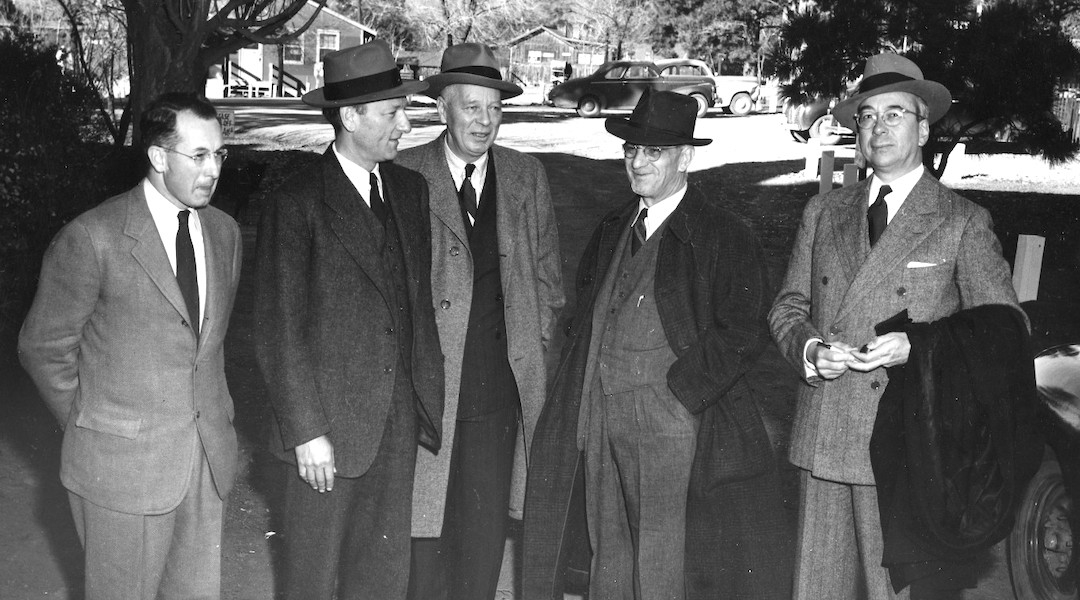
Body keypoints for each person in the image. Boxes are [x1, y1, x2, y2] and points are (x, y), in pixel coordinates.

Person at [768, 53, 1022, 600]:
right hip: (824, 436)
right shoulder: (823, 212)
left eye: (894, 114)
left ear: (924, 127)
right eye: (866, 116)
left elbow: (1005, 330)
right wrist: (811, 350)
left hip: (909, 447)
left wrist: (921, 345)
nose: (877, 128)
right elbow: (787, 307)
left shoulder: (961, 222)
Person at [523, 89, 791, 600]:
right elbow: (585, 314)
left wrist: (681, 395)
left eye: (654, 152)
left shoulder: (721, 234)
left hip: (670, 422)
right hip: (600, 414)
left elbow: (744, 328)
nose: (637, 162)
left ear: (685, 158)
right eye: (631, 151)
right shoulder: (614, 225)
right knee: (609, 551)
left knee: (661, 558)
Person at [18, 92, 242, 600]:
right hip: (119, 471)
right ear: (159, 158)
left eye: (219, 155)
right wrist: (95, 422)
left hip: (205, 463)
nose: (213, 170)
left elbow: (206, 344)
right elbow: (44, 346)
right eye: (199, 156)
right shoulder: (93, 237)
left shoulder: (225, 234)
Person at [253, 39, 444, 600]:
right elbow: (278, 328)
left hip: (396, 425)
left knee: (382, 579)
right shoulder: (297, 201)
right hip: (326, 437)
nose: (405, 125)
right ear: (349, 116)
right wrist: (306, 431)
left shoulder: (411, 191)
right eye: (392, 113)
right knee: (310, 581)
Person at [395, 42, 565, 600]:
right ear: (442, 107)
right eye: (471, 107)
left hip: (497, 396)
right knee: (425, 541)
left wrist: (535, 367)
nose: (485, 121)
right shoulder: (404, 175)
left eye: (495, 108)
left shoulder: (525, 177)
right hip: (429, 398)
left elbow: (547, 284)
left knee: (484, 541)